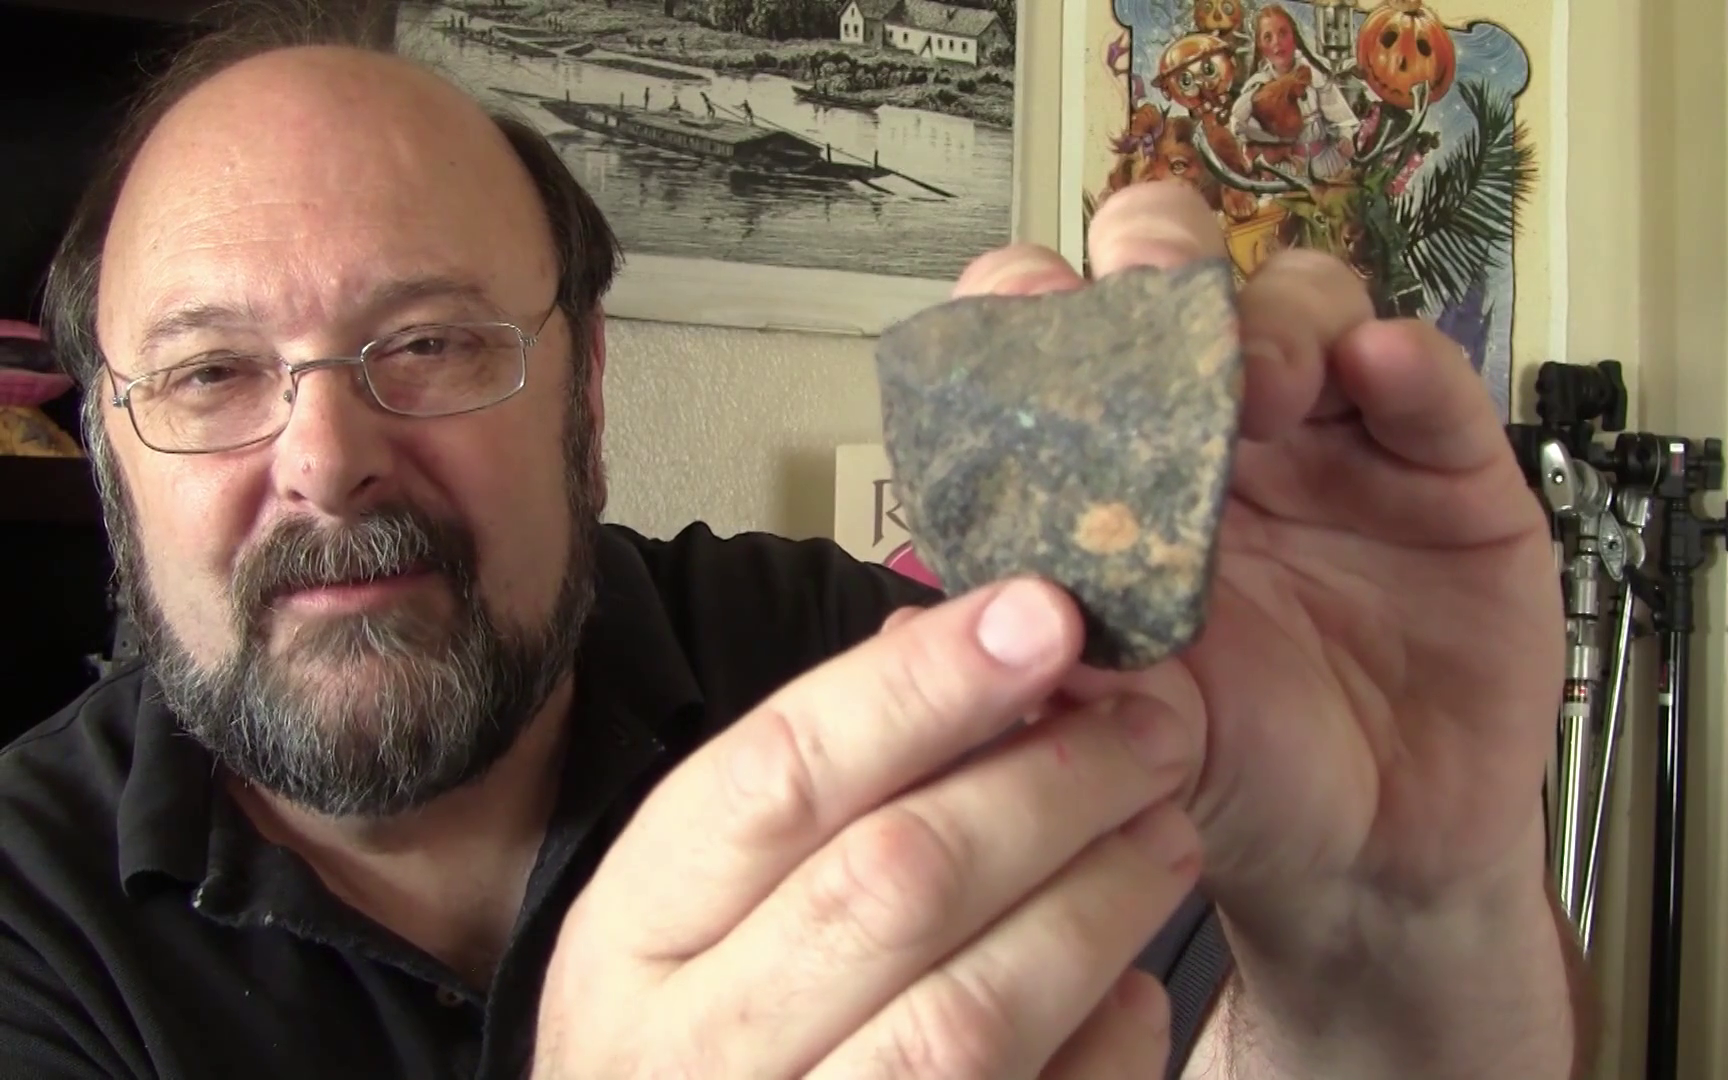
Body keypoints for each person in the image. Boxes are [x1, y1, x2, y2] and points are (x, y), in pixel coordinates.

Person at [0, 5, 1592, 1079]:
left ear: (586, 383)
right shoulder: (25, 918)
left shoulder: (913, 675)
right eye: (208, 375)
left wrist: (1397, 922)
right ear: (105, 444)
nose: (328, 460)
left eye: (429, 343)